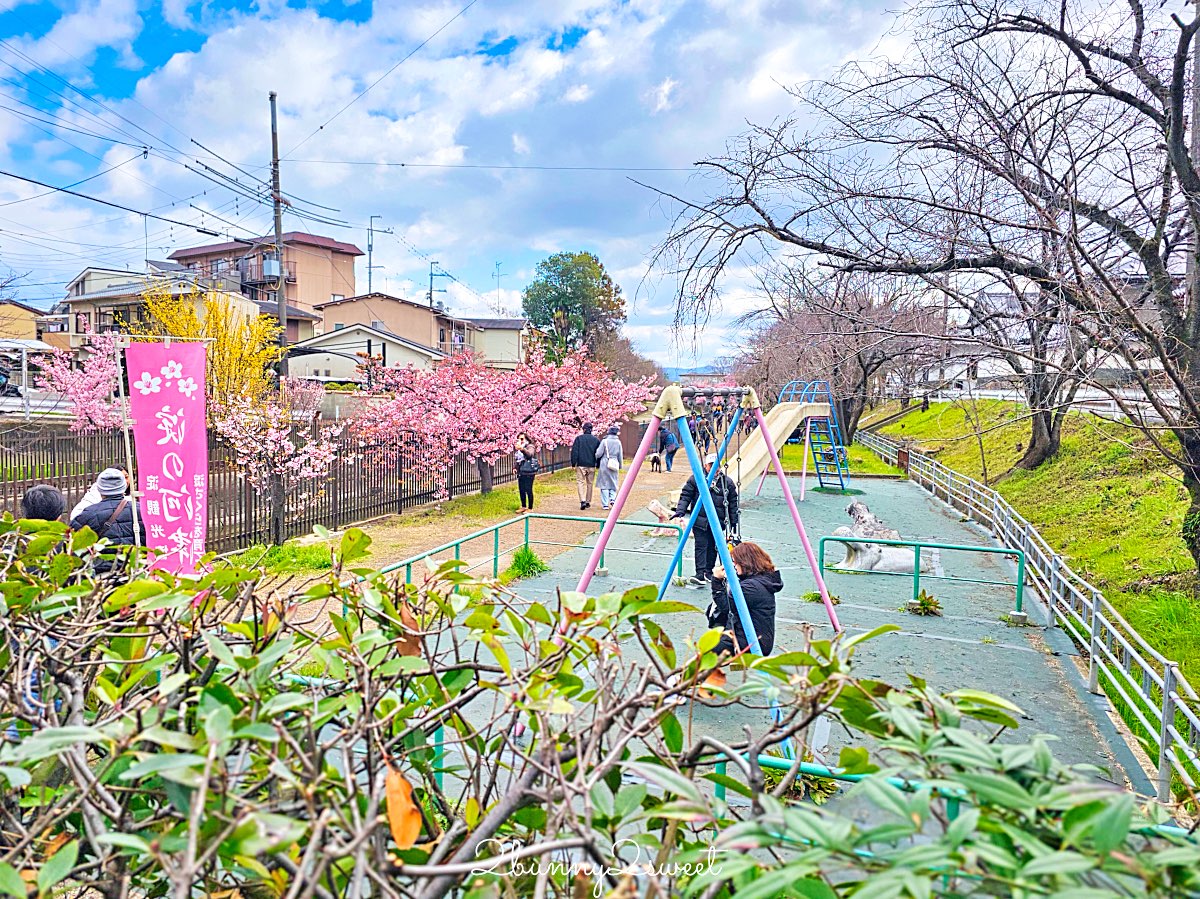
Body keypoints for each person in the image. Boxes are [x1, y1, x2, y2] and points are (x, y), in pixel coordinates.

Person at [702, 541, 782, 690]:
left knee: (706, 653)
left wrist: (717, 579)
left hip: (750, 641)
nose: (734, 565)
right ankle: (701, 678)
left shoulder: (752, 588)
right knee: (714, 624)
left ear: (745, 563)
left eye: (735, 562)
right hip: (756, 636)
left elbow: (726, 606)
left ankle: (680, 683)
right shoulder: (763, 580)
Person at [672, 452, 739, 587]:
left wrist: (733, 521)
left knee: (713, 547)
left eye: (717, 466)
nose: (715, 469)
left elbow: (733, 502)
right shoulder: (696, 479)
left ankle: (708, 571)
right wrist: (680, 511)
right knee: (701, 546)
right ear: (705, 466)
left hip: (718, 520)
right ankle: (700, 573)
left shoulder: (727, 483)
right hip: (700, 520)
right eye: (711, 466)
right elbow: (686, 495)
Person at [69, 468, 146, 572]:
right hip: (136, 570)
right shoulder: (142, 510)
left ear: (99, 488)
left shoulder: (88, 514)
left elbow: (72, 545)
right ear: (124, 486)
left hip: (102, 575)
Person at [570, 423, 601, 510]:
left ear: (583, 429)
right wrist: (598, 464)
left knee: (580, 482)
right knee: (590, 483)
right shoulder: (596, 440)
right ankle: (588, 501)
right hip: (591, 464)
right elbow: (598, 454)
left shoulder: (579, 439)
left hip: (581, 464)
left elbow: (574, 452)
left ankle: (582, 501)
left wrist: (573, 463)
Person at [595, 425, 623, 509]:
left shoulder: (604, 441)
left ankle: (605, 504)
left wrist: (596, 457)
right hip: (614, 462)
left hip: (605, 462)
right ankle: (612, 498)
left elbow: (598, 453)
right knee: (613, 481)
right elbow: (620, 455)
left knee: (604, 483)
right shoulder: (618, 442)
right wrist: (620, 465)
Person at [516, 447, 540, 512]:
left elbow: (529, 455)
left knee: (528, 489)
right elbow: (518, 460)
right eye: (519, 439)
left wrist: (522, 449)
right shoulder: (518, 450)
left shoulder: (530, 446)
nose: (520, 441)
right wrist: (515, 467)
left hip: (529, 472)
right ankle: (523, 506)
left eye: (522, 439)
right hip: (521, 471)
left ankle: (530, 508)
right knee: (522, 490)